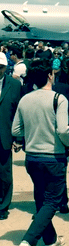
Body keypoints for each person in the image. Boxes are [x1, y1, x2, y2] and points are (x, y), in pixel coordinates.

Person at [12, 59, 69, 246]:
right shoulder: (58, 98)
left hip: (32, 157)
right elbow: (63, 129)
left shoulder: (25, 99)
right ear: (49, 75)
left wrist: (30, 135)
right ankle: (29, 240)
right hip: (53, 156)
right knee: (52, 200)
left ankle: (50, 239)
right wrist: (68, 143)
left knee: (41, 197)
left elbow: (16, 130)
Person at [0, 52, 21, 220]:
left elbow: (17, 113)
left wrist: (18, 137)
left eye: (0, 67)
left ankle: (3, 205)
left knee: (5, 173)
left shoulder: (14, 85)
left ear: (6, 67)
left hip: (4, 135)